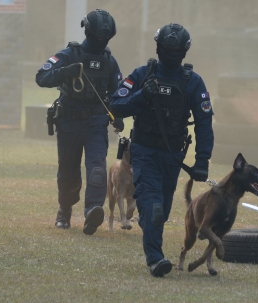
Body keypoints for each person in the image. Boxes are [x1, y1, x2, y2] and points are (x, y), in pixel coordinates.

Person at [109, 23, 214, 277]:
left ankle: (147, 221)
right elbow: (115, 105)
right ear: (158, 48)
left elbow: (204, 123)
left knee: (161, 211)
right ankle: (156, 259)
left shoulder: (193, 82)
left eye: (174, 50)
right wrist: (142, 96)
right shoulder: (142, 74)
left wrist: (202, 161)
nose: (170, 54)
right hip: (143, 153)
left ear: (183, 52)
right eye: (167, 49)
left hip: (172, 157)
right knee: (153, 205)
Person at [35, 9, 124, 235]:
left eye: (106, 38)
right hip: (69, 121)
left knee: (97, 167)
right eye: (98, 37)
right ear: (88, 32)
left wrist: (119, 115)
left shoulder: (109, 61)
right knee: (68, 172)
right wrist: (65, 72)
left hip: (96, 123)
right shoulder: (69, 54)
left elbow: (118, 93)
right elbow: (41, 77)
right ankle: (64, 210)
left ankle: (92, 210)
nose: (101, 42)